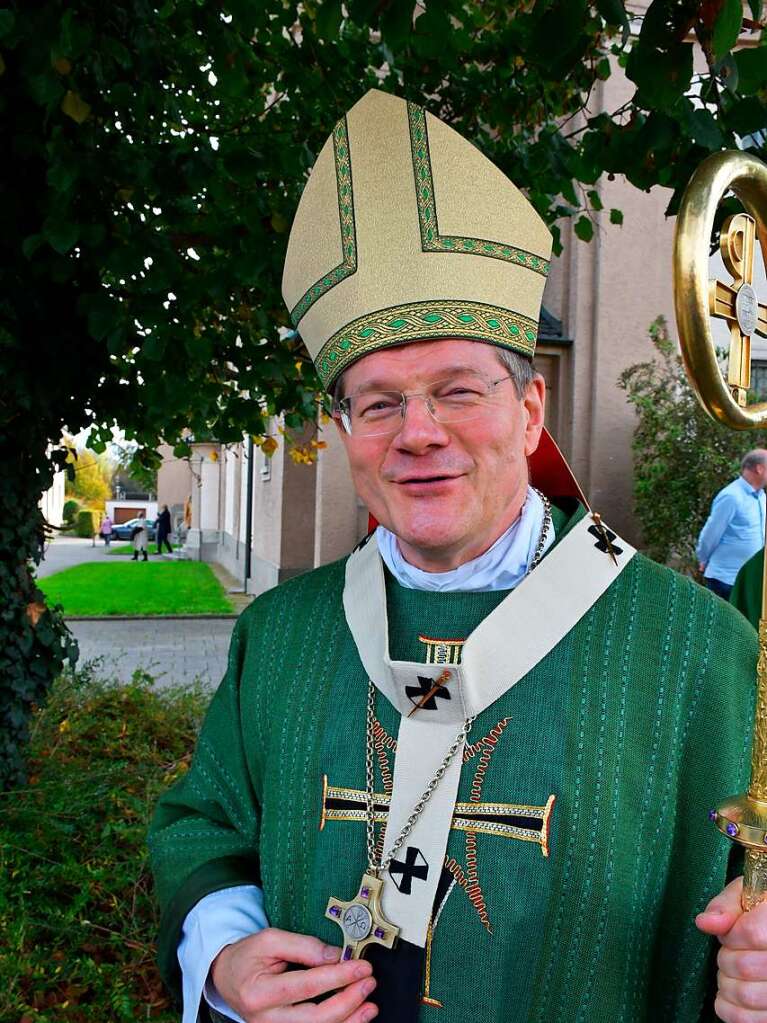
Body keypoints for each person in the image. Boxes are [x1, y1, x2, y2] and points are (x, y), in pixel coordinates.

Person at [148, 90, 763, 1023]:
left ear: (528, 414)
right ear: (346, 432)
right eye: (378, 402)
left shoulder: (697, 652)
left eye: (457, 390)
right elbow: (204, 826)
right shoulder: (279, 635)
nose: (418, 433)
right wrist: (224, 954)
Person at [695, 450, 767, 600]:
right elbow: (711, 534)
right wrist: (703, 558)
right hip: (725, 579)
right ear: (759, 469)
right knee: (722, 623)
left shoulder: (761, 496)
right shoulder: (731, 496)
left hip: (749, 579)